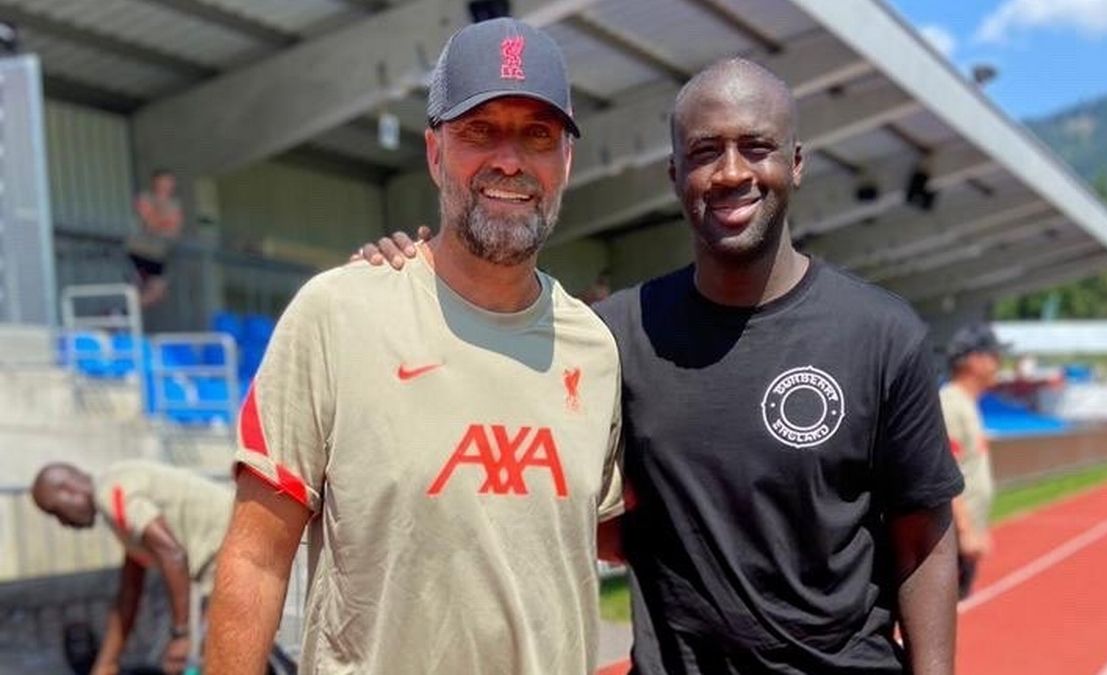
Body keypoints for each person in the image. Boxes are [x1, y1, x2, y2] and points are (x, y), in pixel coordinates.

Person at [362, 58, 964, 674]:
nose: (732, 172)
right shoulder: (613, 336)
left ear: (797, 163)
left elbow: (922, 535)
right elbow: (559, 495)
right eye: (705, 152)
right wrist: (417, 271)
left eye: (756, 147)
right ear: (676, 174)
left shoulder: (882, 333)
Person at [205, 17, 624, 675]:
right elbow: (255, 558)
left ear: (565, 161)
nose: (509, 160)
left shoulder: (595, 350)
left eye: (537, 135)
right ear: (434, 152)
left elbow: (614, 538)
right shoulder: (338, 314)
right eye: (479, 131)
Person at [31, 460, 233, 675]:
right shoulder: (115, 492)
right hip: (225, 558)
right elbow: (130, 590)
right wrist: (107, 663)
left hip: (231, 555)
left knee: (201, 658)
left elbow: (172, 554)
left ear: (68, 489)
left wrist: (181, 635)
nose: (62, 522)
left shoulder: (112, 494)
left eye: (56, 512)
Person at [941, 323, 1006, 599]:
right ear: (973, 360)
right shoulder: (951, 403)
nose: (998, 364)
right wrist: (967, 531)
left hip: (961, 538)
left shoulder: (967, 404)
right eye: (993, 356)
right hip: (949, 540)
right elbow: (946, 472)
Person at [128, 169, 183, 308]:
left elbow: (175, 229)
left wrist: (163, 224)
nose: (167, 186)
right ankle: (122, 313)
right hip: (140, 251)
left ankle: (122, 312)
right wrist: (164, 223)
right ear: (156, 182)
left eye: (170, 182)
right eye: (164, 182)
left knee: (158, 292)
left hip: (159, 253)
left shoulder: (174, 203)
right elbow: (150, 223)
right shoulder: (144, 198)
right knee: (137, 288)